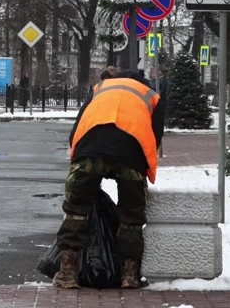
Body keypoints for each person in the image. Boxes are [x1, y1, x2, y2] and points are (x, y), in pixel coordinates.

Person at [53, 70, 164, 290]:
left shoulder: (100, 89)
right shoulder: (150, 95)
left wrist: (81, 162)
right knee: (131, 216)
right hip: (131, 153)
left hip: (90, 149)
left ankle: (67, 273)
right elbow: (155, 135)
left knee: (76, 210)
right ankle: (129, 275)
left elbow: (78, 126)